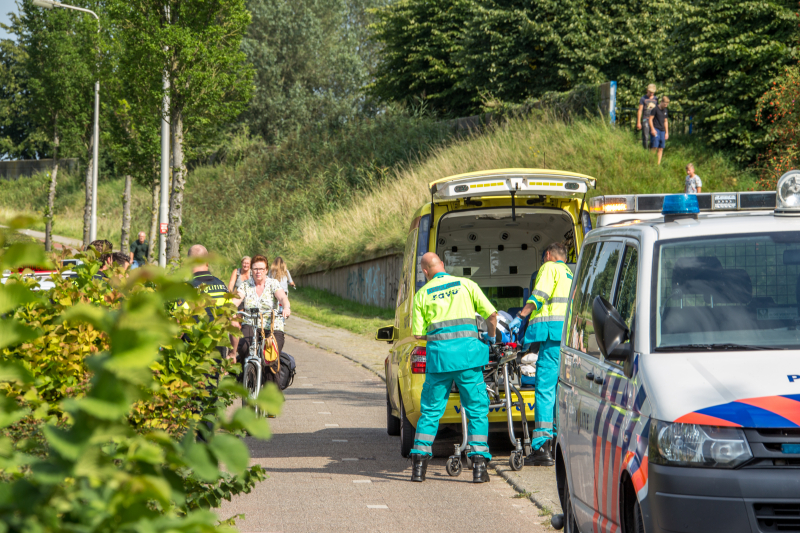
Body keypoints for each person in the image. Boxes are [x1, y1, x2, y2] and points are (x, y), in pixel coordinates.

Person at [409, 252, 498, 484]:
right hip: (468, 360)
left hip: (439, 362)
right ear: (443, 266)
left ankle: (419, 466)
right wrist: (491, 337)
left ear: (425, 272)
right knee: (477, 410)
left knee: (430, 412)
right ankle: (479, 467)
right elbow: (492, 315)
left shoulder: (421, 295)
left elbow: (418, 334)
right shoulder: (466, 284)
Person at [509, 242, 572, 467]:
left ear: (547, 255)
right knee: (556, 390)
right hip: (565, 338)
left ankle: (541, 448)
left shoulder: (549, 268)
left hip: (550, 336)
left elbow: (538, 297)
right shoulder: (569, 273)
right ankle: (555, 443)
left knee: (544, 389)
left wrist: (520, 315)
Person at [231, 255, 291, 394]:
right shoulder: (245, 285)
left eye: (261, 269)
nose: (258, 272)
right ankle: (246, 380)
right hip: (251, 323)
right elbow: (237, 299)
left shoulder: (273, 283)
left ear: (266, 270)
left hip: (272, 326)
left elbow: (282, 297)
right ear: (251, 270)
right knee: (244, 347)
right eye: (255, 269)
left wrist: (286, 307)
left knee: (271, 356)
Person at [648, 96, 670, 165]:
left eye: (667, 104)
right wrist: (652, 129)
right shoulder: (655, 109)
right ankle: (650, 162)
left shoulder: (665, 110)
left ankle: (658, 164)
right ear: (661, 102)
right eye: (665, 104)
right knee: (655, 146)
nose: (665, 106)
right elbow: (650, 119)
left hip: (663, 131)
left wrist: (667, 132)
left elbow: (665, 121)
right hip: (656, 130)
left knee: (661, 148)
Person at [636, 84, 659, 150]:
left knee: (654, 136)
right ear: (647, 90)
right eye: (650, 92)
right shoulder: (643, 98)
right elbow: (640, 110)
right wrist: (638, 122)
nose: (652, 93)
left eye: (653, 92)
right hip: (645, 119)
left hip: (654, 120)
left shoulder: (656, 99)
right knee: (645, 137)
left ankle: (651, 152)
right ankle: (645, 151)